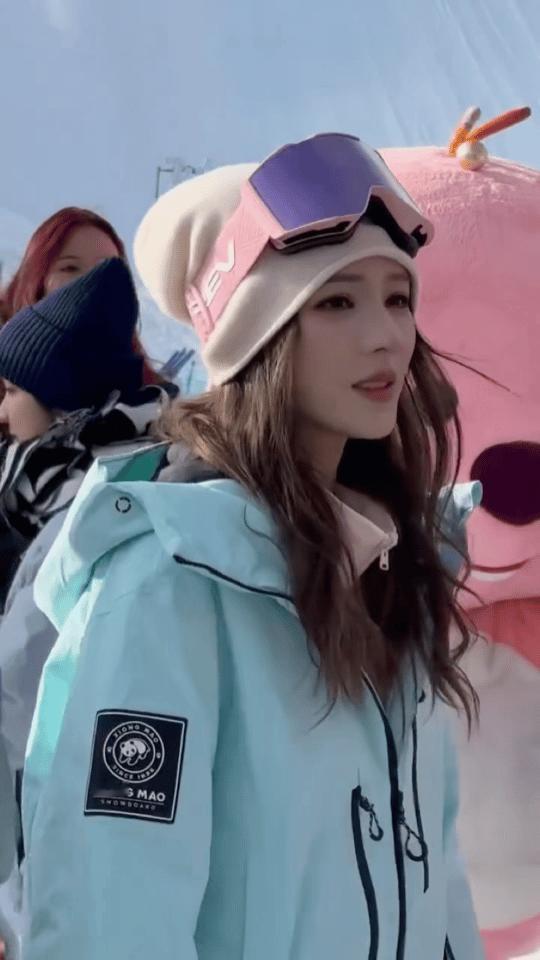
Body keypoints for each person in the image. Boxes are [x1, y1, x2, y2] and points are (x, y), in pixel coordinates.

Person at [22, 134, 484, 959]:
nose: (386, 336)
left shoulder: (395, 573)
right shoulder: (170, 584)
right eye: (336, 302)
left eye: (397, 298)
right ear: (255, 334)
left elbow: (437, 883)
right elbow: (111, 917)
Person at [0, 257, 175, 959]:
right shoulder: (70, 484)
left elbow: (20, 681)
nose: (2, 410)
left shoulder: (92, 505)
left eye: (13, 390)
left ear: (61, 395)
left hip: (73, 822)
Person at [0, 206, 161, 387]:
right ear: (37, 280)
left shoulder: (150, 396)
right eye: (70, 268)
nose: (92, 282)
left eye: (106, 270)